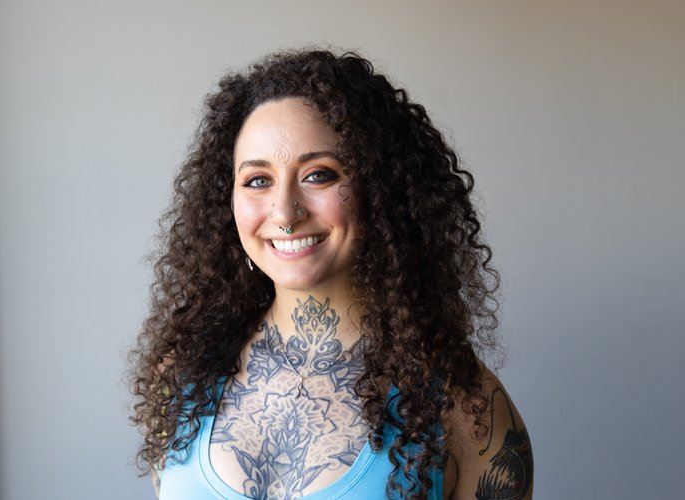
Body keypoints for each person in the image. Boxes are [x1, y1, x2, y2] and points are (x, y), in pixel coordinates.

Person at [130, 49, 533, 500]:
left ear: (378, 190)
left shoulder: (468, 409)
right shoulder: (180, 376)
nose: (285, 213)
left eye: (318, 175)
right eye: (258, 180)